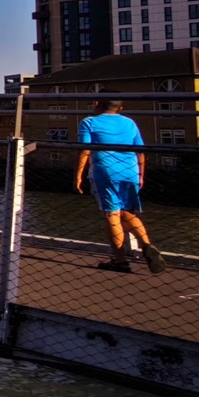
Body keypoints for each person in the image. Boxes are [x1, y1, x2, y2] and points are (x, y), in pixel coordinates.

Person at [75, 99, 165, 274]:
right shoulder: (129, 123)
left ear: (97, 104)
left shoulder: (89, 122)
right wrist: (141, 175)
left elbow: (85, 149)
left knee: (112, 214)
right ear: (120, 108)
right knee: (126, 212)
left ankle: (120, 261)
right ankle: (146, 244)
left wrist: (78, 176)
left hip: (105, 172)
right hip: (130, 171)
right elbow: (140, 151)